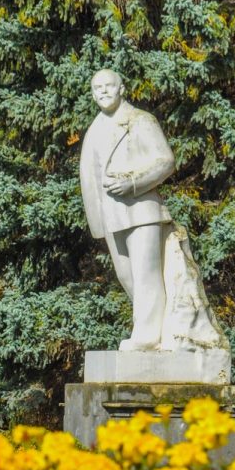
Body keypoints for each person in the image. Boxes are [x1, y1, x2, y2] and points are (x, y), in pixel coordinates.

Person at [80, 69, 176, 350]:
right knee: (126, 276)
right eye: (97, 88)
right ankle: (155, 328)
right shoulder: (95, 129)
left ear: (122, 89)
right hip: (111, 215)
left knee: (146, 273)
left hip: (142, 210)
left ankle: (148, 336)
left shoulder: (139, 121)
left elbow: (165, 161)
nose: (103, 92)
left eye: (109, 86)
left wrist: (133, 183)